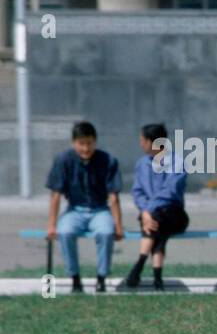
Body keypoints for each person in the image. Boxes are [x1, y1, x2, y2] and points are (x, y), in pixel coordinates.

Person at [45, 121, 123, 293]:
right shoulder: (63, 160)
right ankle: (75, 279)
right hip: (75, 209)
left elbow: (114, 197)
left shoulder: (108, 160)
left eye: (89, 143)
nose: (86, 148)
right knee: (65, 232)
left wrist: (118, 225)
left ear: (95, 141)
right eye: (81, 144)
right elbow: (55, 196)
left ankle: (101, 277)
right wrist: (52, 225)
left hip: (99, 209)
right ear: (74, 143)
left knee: (105, 232)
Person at [125, 123, 189, 291]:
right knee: (158, 230)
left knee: (158, 219)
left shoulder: (176, 162)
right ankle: (157, 281)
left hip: (174, 213)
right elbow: (137, 191)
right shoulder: (141, 164)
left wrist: (147, 211)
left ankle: (139, 265)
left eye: (142, 140)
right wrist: (146, 211)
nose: (140, 144)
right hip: (152, 216)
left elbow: (170, 191)